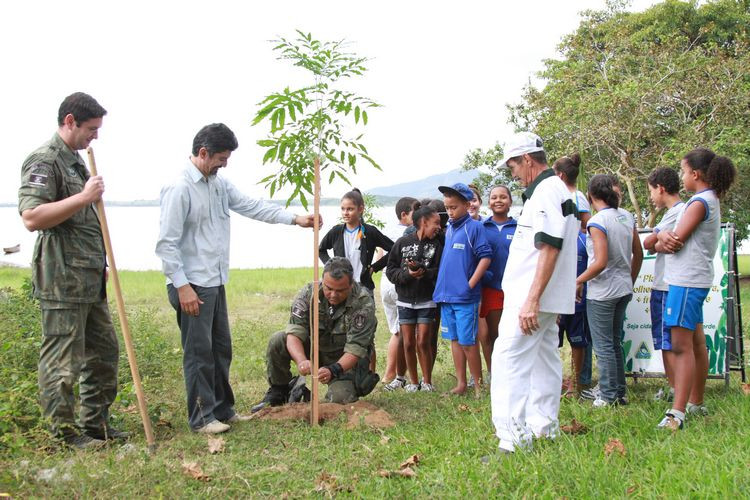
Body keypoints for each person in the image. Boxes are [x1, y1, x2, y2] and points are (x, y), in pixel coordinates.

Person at [155, 123, 317, 434]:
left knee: (221, 348)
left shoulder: (218, 185)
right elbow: (167, 244)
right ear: (203, 153)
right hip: (191, 284)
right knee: (199, 353)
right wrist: (182, 285)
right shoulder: (179, 189)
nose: (224, 164)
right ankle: (202, 418)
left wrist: (295, 219)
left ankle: (223, 410)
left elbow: (251, 206)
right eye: (221, 158)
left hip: (214, 281)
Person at [17, 92, 122, 449]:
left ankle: (95, 424)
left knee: (104, 354)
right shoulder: (44, 161)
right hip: (62, 282)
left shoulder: (77, 163)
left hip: (90, 281)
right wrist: (83, 197)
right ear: (70, 121)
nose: (96, 136)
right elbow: (32, 217)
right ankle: (63, 434)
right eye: (91, 129)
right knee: (63, 361)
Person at [490, 132, 579, 454]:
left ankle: (512, 439)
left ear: (527, 159)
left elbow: (550, 246)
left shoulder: (544, 190)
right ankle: (545, 427)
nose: (512, 172)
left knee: (508, 359)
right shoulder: (555, 189)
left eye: (513, 164)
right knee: (544, 357)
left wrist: (532, 298)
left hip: (531, 296)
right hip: (544, 295)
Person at [656, 148, 735, 430]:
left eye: (683, 171)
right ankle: (695, 402)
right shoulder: (708, 200)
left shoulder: (699, 203)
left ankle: (677, 413)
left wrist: (663, 236)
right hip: (694, 280)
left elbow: (675, 240)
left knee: (680, 347)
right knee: (696, 342)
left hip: (685, 282)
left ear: (696, 174)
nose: (682, 176)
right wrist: (662, 236)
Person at [252, 257, 380, 410]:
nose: (333, 295)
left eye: (340, 291)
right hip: (316, 350)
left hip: (345, 361)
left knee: (339, 401)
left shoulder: (363, 303)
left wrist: (334, 370)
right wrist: (301, 361)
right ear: (322, 281)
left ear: (351, 285)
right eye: (328, 288)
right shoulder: (309, 293)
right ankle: (280, 390)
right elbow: (294, 334)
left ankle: (344, 386)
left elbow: (356, 348)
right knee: (278, 339)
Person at [577, 174, 643, 407]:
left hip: (602, 293)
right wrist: (630, 279)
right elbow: (639, 253)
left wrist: (578, 281)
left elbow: (600, 261)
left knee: (603, 344)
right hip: (623, 289)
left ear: (591, 196)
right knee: (614, 342)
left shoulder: (597, 221)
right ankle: (619, 392)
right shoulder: (626, 216)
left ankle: (606, 395)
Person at [433, 183, 492, 396]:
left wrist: (471, 283)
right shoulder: (449, 228)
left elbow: (485, 257)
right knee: (455, 341)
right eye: (447, 207)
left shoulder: (474, 227)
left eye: (454, 207)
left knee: (468, 342)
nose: (450, 211)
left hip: (466, 297)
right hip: (446, 296)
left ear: (467, 205)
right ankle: (460, 383)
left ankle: (478, 385)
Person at [386, 206, 444, 392]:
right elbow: (391, 270)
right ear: (423, 222)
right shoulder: (402, 242)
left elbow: (441, 271)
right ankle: (412, 382)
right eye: (436, 223)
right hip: (405, 300)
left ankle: (427, 382)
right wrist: (408, 274)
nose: (439, 226)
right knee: (408, 342)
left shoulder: (438, 244)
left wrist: (424, 272)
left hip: (427, 299)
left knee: (423, 341)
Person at [643, 167, 683, 402]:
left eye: (651, 191)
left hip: (666, 285)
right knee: (667, 339)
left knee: (667, 341)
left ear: (661, 188)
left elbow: (648, 241)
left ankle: (675, 389)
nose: (650, 196)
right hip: (667, 284)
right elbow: (652, 244)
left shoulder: (675, 212)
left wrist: (655, 240)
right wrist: (657, 242)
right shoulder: (677, 212)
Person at [553, 154, 591, 395]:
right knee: (556, 339)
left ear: (560, 176)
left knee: (577, 339)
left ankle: (577, 383)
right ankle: (563, 383)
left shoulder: (583, 237)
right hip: (560, 290)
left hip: (575, 291)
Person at [318, 188, 394, 295]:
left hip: (364, 288)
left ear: (361, 209)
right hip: (341, 286)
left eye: (350, 209)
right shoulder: (336, 232)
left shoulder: (370, 232)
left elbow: (394, 249)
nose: (345, 213)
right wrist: (332, 266)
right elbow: (320, 250)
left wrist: (374, 267)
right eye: (343, 209)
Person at [478, 185, 516, 382]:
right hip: (491, 289)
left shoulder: (519, 227)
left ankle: (513, 373)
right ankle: (495, 374)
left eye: (503, 197)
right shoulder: (482, 228)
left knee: (513, 336)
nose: (498, 200)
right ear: (489, 202)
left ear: (510, 201)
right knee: (494, 335)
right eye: (494, 197)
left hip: (515, 290)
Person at [382, 197, 420, 391]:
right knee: (402, 331)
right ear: (404, 214)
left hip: (385, 282)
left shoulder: (388, 230)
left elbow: (381, 257)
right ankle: (392, 373)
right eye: (416, 211)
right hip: (399, 283)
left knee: (396, 331)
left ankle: (392, 373)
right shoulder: (410, 232)